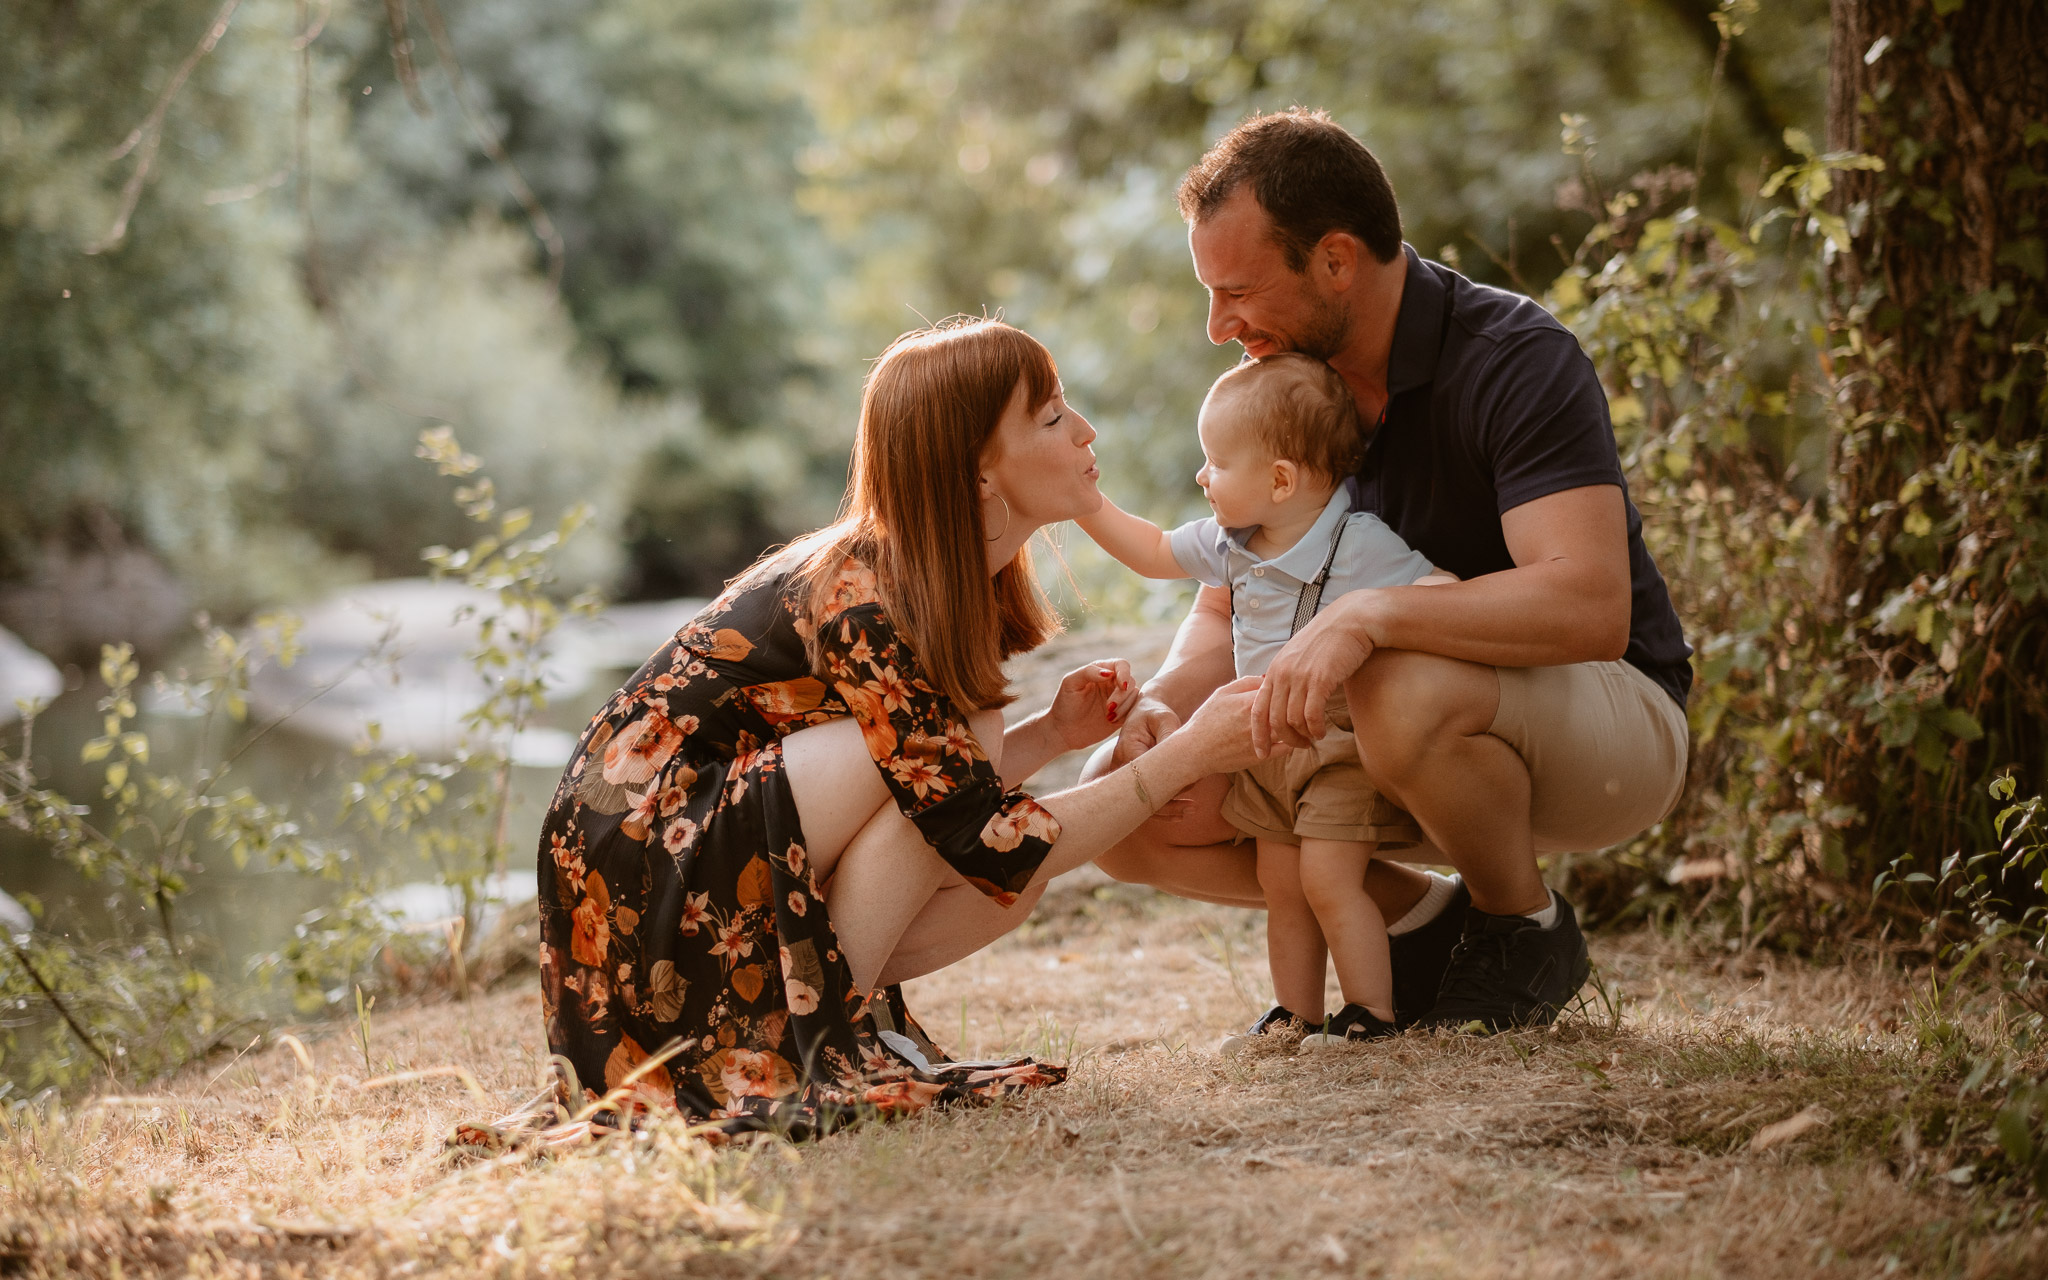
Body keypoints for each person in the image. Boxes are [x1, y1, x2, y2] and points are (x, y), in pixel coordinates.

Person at [534, 318, 1260, 1139]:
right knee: (988, 836)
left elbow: (959, 798)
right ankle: (818, 1048)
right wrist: (1193, 753)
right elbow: (974, 824)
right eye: (1054, 418)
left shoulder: (947, 580)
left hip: (715, 834)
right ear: (978, 470)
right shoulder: (861, 591)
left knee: (1006, 879)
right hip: (641, 843)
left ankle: (831, 1033)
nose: (1085, 432)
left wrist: (1055, 735)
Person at [1086, 109, 1692, 1032]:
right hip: (1365, 751)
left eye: (1237, 290)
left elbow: (1590, 605)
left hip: (1604, 721)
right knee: (1132, 798)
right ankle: (1424, 919)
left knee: (1394, 679)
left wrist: (1366, 617)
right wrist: (1167, 705)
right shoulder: (1281, 391)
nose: (1218, 327)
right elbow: (1226, 602)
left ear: (1336, 261)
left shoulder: (1513, 359)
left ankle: (1520, 923)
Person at [1078, 353, 1454, 1049]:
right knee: (1282, 881)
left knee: (1329, 878)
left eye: (1216, 463)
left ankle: (1371, 1013)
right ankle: (1295, 1014)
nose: (1201, 477)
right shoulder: (1232, 545)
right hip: (1265, 740)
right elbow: (1153, 550)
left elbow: (1438, 594)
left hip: (1336, 742)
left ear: (1280, 480)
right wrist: (1086, 505)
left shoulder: (1360, 543)